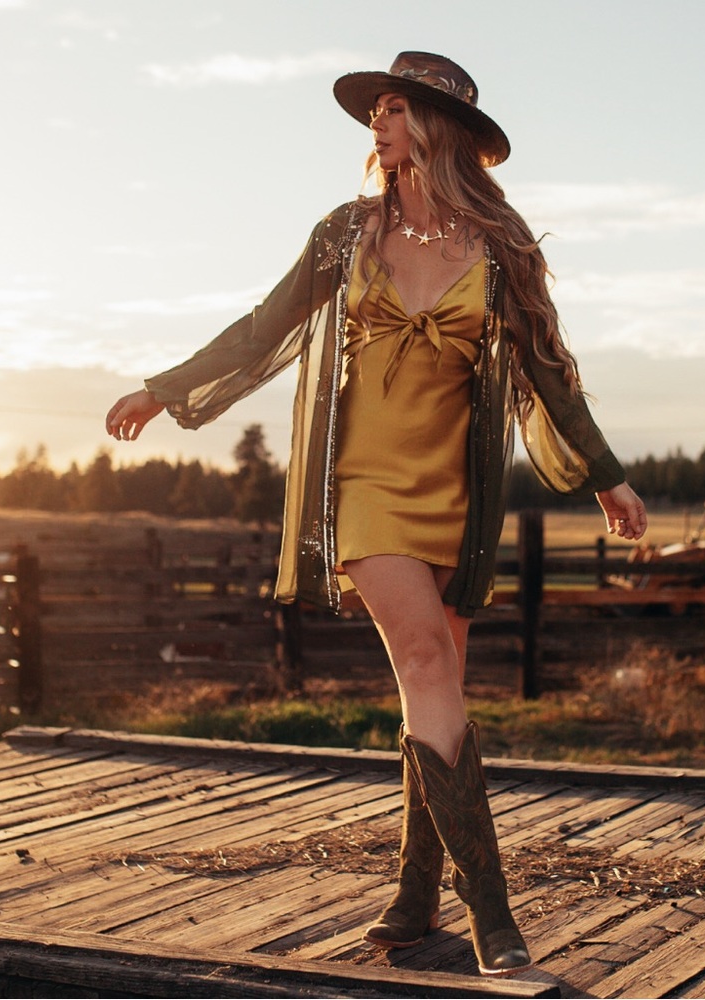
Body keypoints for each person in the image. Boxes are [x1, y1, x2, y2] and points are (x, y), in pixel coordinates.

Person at [106, 51, 647, 977]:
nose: (378, 124)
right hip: (360, 487)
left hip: (458, 497)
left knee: (433, 692)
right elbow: (260, 328)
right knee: (429, 662)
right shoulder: (344, 235)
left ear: (440, 130)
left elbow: (551, 370)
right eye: (377, 110)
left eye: (396, 109)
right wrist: (165, 390)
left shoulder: (501, 248)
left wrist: (605, 473)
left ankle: (409, 901)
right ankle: (492, 912)